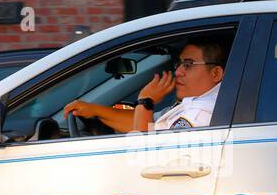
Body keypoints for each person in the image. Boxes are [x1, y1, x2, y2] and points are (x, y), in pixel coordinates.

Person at [63, 40, 226, 133]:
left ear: (216, 74)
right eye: (179, 64)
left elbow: (143, 153)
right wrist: (95, 111)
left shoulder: (199, 115)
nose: (178, 72)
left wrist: (145, 101)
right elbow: (148, 125)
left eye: (188, 64)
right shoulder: (195, 105)